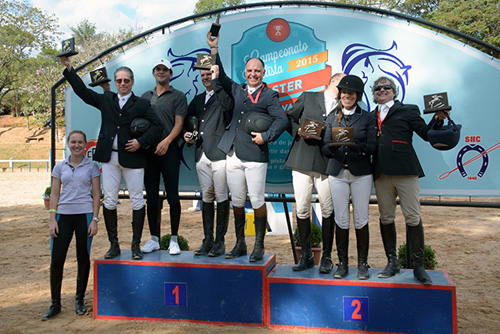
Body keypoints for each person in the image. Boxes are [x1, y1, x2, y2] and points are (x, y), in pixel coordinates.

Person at [61, 57, 162, 260]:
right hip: (109, 158)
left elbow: (158, 127)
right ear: (115, 83)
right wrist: (70, 69)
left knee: (136, 200)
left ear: (132, 82)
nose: (122, 84)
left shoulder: (141, 103)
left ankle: (135, 245)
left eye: (126, 81)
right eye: (119, 81)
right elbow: (83, 93)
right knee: (109, 201)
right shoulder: (107, 99)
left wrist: (140, 142)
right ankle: (113, 244)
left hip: (133, 159)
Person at [207, 32, 289, 262]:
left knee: (258, 200)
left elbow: (282, 120)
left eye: (257, 71)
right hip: (232, 154)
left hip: (255, 155)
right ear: (245, 72)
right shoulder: (237, 89)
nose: (253, 74)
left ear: (264, 74)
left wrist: (267, 136)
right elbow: (220, 74)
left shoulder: (270, 95)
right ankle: (240, 243)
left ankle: (259, 245)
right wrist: (214, 49)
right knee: (237, 200)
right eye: (250, 70)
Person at [371, 76, 448, 285]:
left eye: (386, 87)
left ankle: (418, 266)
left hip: (406, 170)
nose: (382, 90)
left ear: (394, 91)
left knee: (413, 217)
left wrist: (438, 119)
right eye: (378, 88)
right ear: (374, 93)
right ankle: (392, 262)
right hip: (381, 173)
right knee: (386, 217)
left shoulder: (409, 110)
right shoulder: (371, 116)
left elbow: (425, 133)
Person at [285, 73, 345, 273]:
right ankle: (307, 256)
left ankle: (326, 256)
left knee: (328, 210)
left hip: (327, 164)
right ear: (334, 81)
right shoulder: (309, 97)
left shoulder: (344, 106)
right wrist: (298, 132)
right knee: (302, 209)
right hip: (301, 159)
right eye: (343, 83)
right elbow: (289, 119)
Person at [322, 75, 377, 280]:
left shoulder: (367, 117)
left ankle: (362, 264)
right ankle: (342, 263)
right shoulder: (331, 116)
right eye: (344, 92)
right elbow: (324, 146)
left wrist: (355, 144)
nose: (347, 96)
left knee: (361, 217)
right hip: (337, 172)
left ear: (357, 96)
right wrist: (333, 147)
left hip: (361, 173)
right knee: (341, 218)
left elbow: (372, 146)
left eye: (351, 93)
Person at [42, 130, 101, 320]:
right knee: (57, 260)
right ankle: (55, 303)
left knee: (83, 259)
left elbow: (96, 195)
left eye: (80, 142)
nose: (77, 145)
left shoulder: (92, 166)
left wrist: (95, 219)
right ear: (68, 143)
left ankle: (79, 300)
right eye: (73, 142)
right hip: (63, 217)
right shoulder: (59, 167)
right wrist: (52, 219)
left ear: (85, 145)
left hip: (84, 216)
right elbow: (55, 194)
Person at [184, 69, 233, 257]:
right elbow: (188, 122)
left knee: (221, 195)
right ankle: (207, 239)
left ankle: (220, 241)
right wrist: (186, 135)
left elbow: (229, 109)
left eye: (209, 75)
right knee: (206, 195)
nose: (206, 78)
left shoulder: (224, 97)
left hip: (219, 153)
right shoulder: (197, 100)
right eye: (203, 76)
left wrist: (219, 85)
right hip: (201, 153)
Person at [141, 59, 188, 255]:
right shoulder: (145, 96)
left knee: (173, 197)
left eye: (165, 70)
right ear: (153, 73)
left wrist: (167, 141)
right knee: (151, 199)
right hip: (149, 153)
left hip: (169, 151)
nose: (161, 72)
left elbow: (179, 124)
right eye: (158, 69)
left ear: (170, 73)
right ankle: (154, 238)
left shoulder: (178, 96)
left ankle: (174, 240)